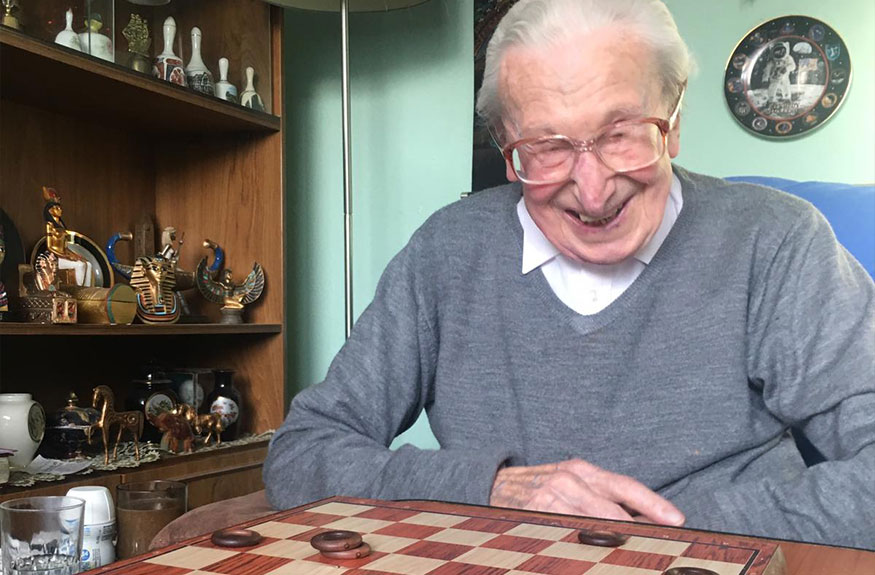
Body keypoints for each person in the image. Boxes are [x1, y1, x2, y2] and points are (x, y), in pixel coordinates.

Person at [264, 0, 874, 549]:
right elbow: (302, 454)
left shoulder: (777, 240)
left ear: (675, 120)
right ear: (507, 151)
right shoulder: (447, 250)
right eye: (547, 147)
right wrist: (492, 490)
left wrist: (641, 529)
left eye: (621, 133)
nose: (592, 188)